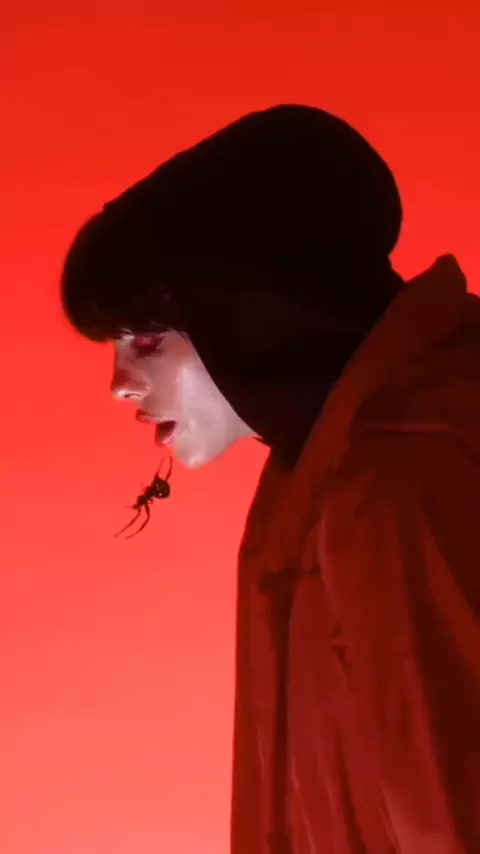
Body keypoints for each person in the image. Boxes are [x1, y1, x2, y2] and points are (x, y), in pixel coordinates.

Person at [60, 104, 480, 854]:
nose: (120, 385)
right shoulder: (310, 478)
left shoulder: (401, 482)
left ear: (254, 313)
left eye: (148, 340)